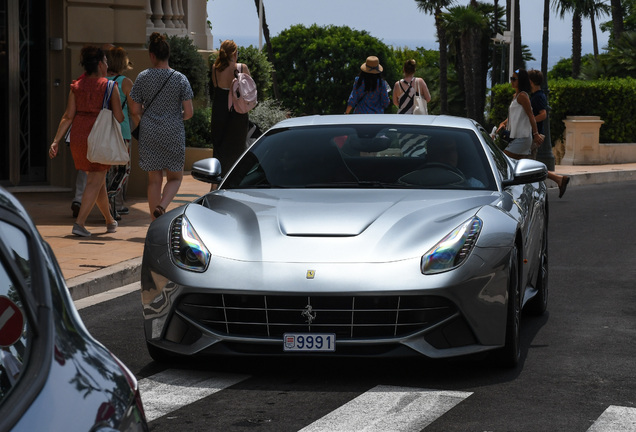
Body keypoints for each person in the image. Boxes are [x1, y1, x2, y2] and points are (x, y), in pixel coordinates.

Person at [49, 45, 123, 237]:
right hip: (100, 137)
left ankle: (109, 220)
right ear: (100, 64)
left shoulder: (76, 86)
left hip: (79, 136)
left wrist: (56, 141)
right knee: (95, 180)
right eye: (105, 61)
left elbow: (67, 116)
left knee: (97, 180)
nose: (107, 64)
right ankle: (79, 224)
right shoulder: (109, 86)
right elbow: (119, 116)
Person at [129, 32, 194, 220]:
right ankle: (163, 205)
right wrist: (174, 117)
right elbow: (188, 113)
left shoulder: (142, 77)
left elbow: (134, 108)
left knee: (153, 180)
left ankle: (154, 222)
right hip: (173, 131)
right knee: (175, 177)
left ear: (152, 55)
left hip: (149, 132)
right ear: (168, 55)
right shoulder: (180, 79)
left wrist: (147, 118)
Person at [211, 39, 250, 176]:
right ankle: (235, 178)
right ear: (234, 53)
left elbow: (216, 86)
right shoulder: (241, 68)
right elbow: (249, 91)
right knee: (237, 148)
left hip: (219, 110)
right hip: (237, 111)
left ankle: (216, 181)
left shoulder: (215, 68)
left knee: (219, 148)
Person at [528, 69, 570, 198]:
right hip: (533, 134)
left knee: (527, 166)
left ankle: (556, 180)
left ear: (531, 81)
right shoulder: (535, 95)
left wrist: (529, 121)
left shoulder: (539, 96)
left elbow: (543, 114)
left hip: (535, 135)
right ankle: (558, 179)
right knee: (528, 165)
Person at [106, 46, 135, 217]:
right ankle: (115, 202)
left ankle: (110, 206)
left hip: (103, 131)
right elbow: (134, 109)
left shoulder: (101, 80)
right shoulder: (125, 82)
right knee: (123, 169)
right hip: (122, 131)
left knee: (108, 170)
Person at [496, 68, 544, 159]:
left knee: (504, 160)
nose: (511, 81)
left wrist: (536, 134)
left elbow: (531, 115)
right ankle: (558, 174)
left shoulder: (522, 96)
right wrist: (503, 123)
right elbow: (513, 116)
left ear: (521, 81)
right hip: (516, 138)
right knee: (525, 168)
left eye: (514, 79)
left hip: (523, 138)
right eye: (511, 78)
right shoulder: (515, 96)